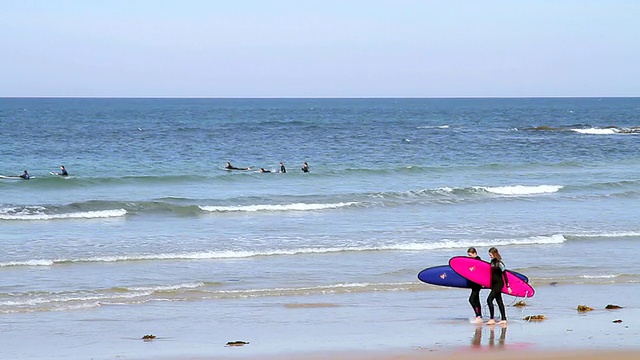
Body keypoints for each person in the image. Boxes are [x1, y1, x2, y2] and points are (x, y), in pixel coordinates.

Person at [486, 247, 511, 325]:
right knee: (499, 301)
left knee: (489, 300)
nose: (490, 256)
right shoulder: (492, 262)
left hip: (499, 284)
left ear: (494, 254)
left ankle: (492, 319)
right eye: (489, 255)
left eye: (491, 254)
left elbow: (505, 275)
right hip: (493, 285)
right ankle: (504, 319)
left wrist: (508, 286)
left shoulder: (500, 263)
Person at [467, 247, 483, 323]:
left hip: (477, 283)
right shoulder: (473, 261)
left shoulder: (478, 261)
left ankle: (478, 315)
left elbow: (478, 271)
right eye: (468, 255)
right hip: (474, 283)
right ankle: (479, 315)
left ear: (475, 253)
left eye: (470, 255)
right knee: (476, 299)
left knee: (472, 300)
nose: (469, 257)